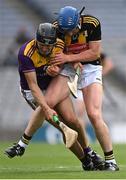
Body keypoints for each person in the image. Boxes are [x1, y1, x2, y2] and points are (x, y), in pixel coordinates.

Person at [5, 23, 104, 171]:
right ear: (36, 40)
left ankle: (90, 152)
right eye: (41, 45)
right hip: (33, 92)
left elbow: (68, 59)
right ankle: (86, 161)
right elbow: (33, 86)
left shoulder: (59, 44)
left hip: (53, 86)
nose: (45, 48)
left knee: (73, 121)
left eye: (48, 45)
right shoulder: (26, 53)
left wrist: (66, 65)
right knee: (63, 127)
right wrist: (46, 108)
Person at [51, 6, 119, 171]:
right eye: (65, 31)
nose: (68, 34)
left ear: (78, 21)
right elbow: (57, 55)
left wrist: (70, 57)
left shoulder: (92, 23)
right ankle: (88, 153)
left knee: (94, 115)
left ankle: (110, 161)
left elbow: (94, 53)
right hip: (69, 68)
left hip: (91, 69)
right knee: (49, 102)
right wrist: (60, 64)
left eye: (71, 30)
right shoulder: (56, 28)